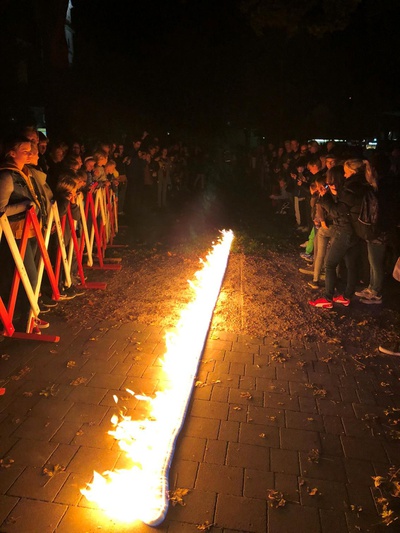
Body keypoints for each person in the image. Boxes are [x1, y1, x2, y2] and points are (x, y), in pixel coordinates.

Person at [0, 135, 48, 331]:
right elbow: (1, 210)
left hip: (32, 230)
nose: (30, 154)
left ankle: (27, 317)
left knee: (29, 275)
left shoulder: (26, 173)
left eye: (30, 151)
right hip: (17, 233)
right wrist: (24, 206)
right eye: (25, 151)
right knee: (29, 276)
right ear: (12, 153)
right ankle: (24, 319)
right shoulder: (6, 176)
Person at [309, 159, 366, 309]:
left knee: (330, 264)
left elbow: (336, 212)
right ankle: (347, 296)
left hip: (345, 231)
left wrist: (325, 198)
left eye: (346, 173)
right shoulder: (361, 185)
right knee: (351, 265)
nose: (345, 176)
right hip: (356, 231)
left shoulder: (350, 189)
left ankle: (328, 298)